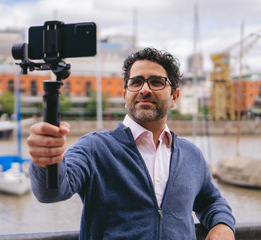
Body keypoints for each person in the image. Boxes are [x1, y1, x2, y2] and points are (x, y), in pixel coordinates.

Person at [28, 47, 235, 239]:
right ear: (125, 93)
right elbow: (50, 192)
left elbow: (212, 202)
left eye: (156, 82)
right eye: (136, 82)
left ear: (174, 97)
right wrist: (45, 160)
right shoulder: (95, 148)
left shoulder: (191, 155)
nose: (144, 89)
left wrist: (222, 226)